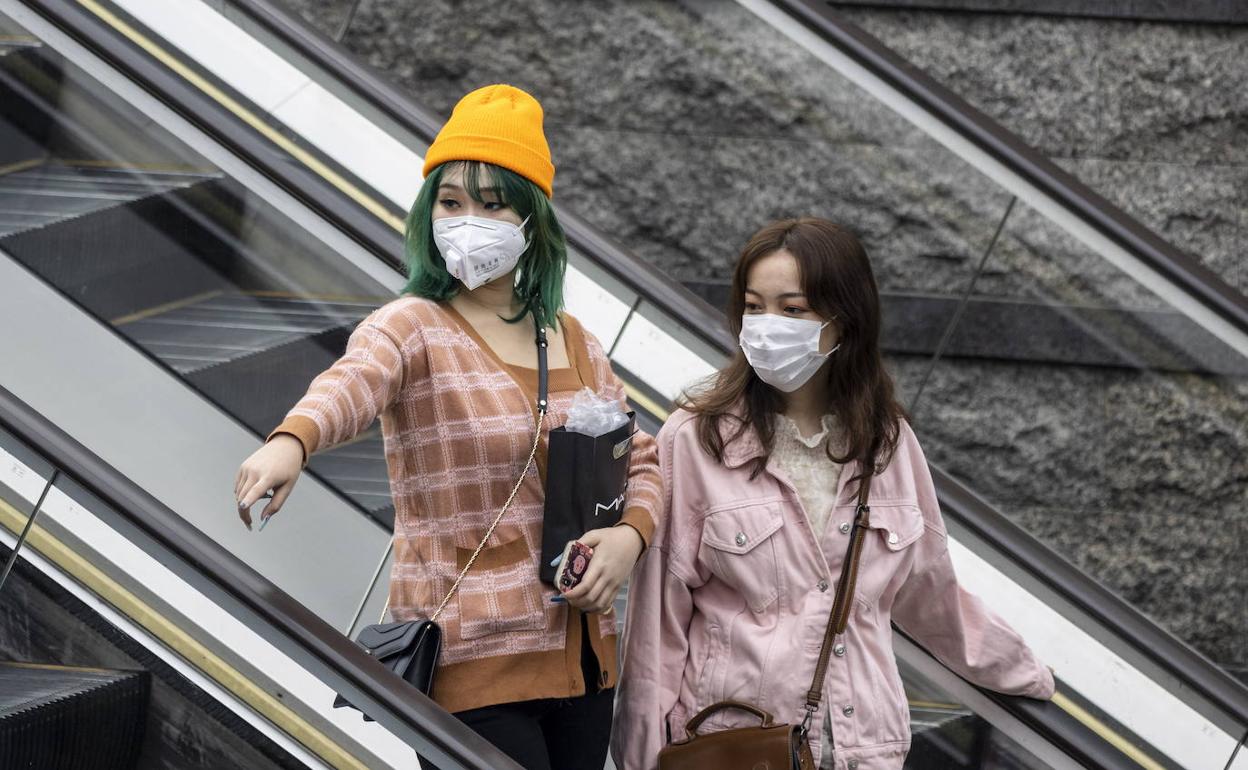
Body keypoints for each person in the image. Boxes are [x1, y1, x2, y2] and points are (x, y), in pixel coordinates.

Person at [233, 84, 661, 770]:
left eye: (493, 203)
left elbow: (642, 459)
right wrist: (294, 440)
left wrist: (629, 538)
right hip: (471, 663)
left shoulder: (571, 338)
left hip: (583, 662)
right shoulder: (413, 326)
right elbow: (352, 382)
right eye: (452, 202)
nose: (469, 221)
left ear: (532, 220)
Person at [612, 218, 1053, 770]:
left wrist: (1023, 671)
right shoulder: (696, 439)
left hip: (861, 748)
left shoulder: (887, 444)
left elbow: (931, 593)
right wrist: (639, 759)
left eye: (793, 310)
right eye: (754, 306)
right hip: (735, 744)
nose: (768, 326)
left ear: (845, 320)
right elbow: (656, 630)